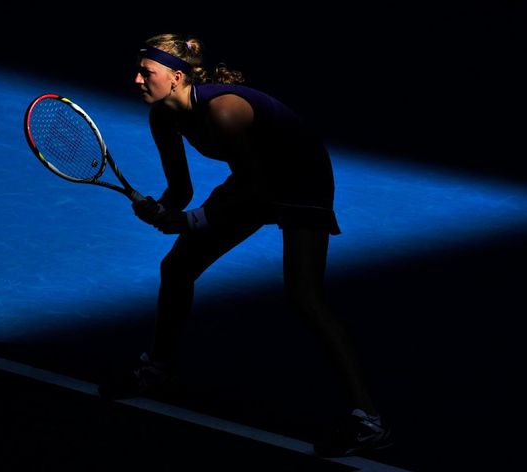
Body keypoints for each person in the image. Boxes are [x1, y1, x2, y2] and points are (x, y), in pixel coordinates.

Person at [98, 32, 391, 457]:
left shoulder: (224, 109)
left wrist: (193, 220)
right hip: (256, 179)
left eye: (148, 72)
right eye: (139, 71)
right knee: (177, 268)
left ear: (177, 77)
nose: (137, 79)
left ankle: (369, 422)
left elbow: (258, 188)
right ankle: (157, 370)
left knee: (304, 295)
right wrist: (162, 209)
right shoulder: (162, 116)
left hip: (301, 177)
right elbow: (181, 190)